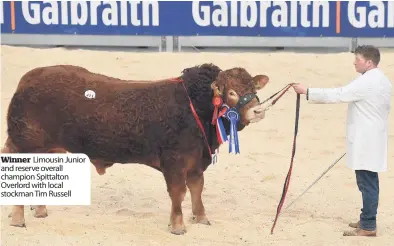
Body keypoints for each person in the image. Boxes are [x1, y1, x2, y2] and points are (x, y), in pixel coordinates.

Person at [292, 45, 392, 237]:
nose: (355, 62)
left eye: (358, 59)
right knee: (366, 181)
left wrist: (307, 91)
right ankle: (366, 219)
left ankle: (369, 225)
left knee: (367, 182)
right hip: (370, 136)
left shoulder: (368, 82)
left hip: (367, 139)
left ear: (369, 62)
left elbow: (338, 94)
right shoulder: (379, 79)